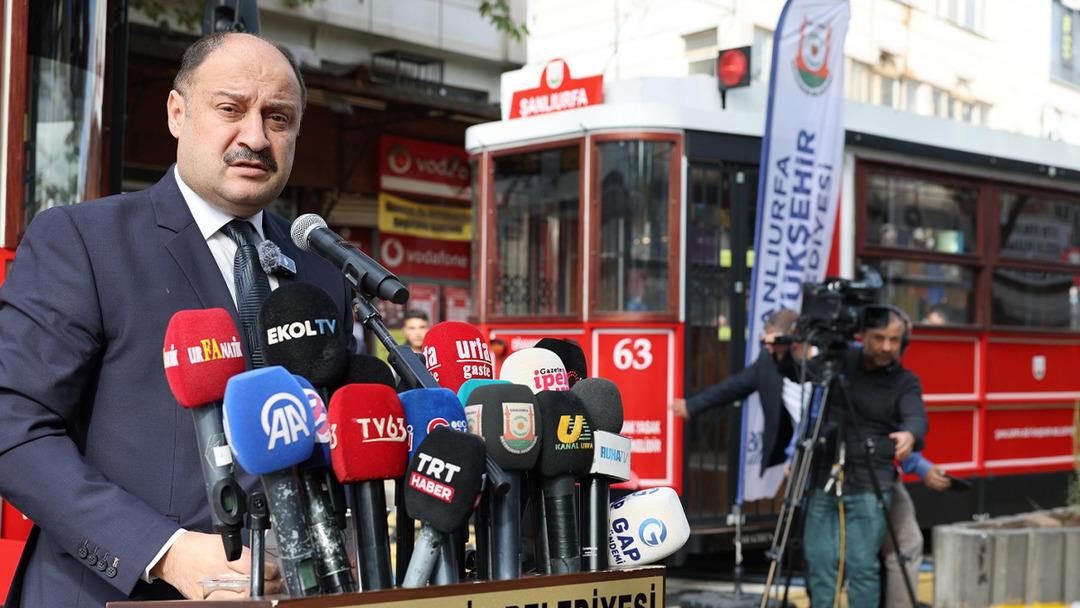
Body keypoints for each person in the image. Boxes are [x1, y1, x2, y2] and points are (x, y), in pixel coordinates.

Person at [0, 32, 353, 606]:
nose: (256, 137)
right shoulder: (84, 241)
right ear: (177, 112)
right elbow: (11, 425)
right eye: (230, 109)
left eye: (279, 118)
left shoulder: (321, 269)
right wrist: (162, 551)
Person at [794, 306, 928, 608]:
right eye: (879, 338)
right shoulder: (841, 360)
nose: (887, 347)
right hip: (824, 475)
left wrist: (909, 434)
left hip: (871, 481)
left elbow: (917, 419)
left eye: (894, 340)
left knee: (862, 565)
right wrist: (784, 352)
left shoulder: (904, 381)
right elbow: (800, 371)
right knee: (820, 561)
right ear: (862, 336)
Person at [671, 308, 803, 476]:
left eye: (774, 341)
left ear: (793, 337)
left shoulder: (821, 361)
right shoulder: (768, 361)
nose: (769, 347)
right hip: (800, 446)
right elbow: (733, 387)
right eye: (766, 342)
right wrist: (693, 405)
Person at [881, 452, 950, 608]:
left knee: (906, 544)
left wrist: (920, 466)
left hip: (879, 475)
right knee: (861, 561)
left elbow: (890, 432)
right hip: (856, 478)